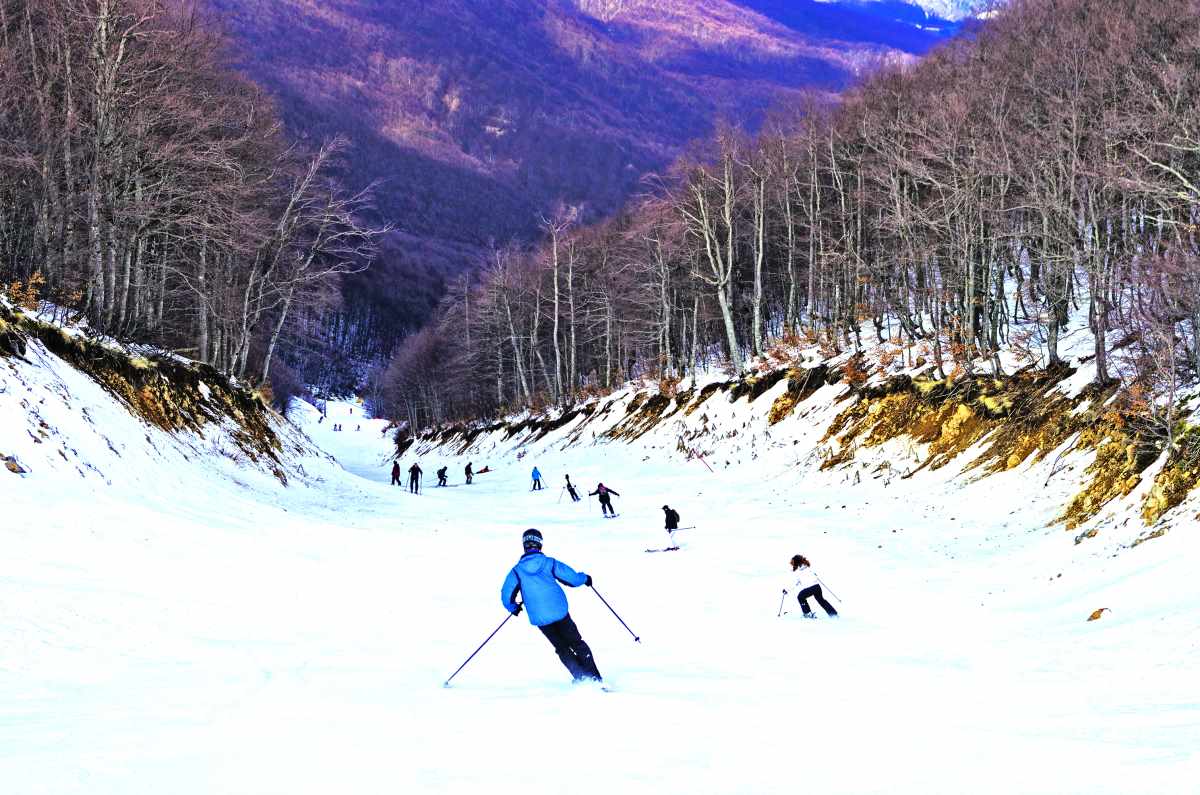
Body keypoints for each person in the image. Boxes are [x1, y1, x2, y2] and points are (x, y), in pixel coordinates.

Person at [500, 529, 601, 683]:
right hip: (560, 611)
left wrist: (514, 608)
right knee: (576, 642)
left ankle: (581, 677)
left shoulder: (516, 572)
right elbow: (572, 579)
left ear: (524, 545)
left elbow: (506, 597)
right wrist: (585, 578)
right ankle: (594, 677)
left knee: (561, 647)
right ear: (540, 544)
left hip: (540, 618)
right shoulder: (550, 563)